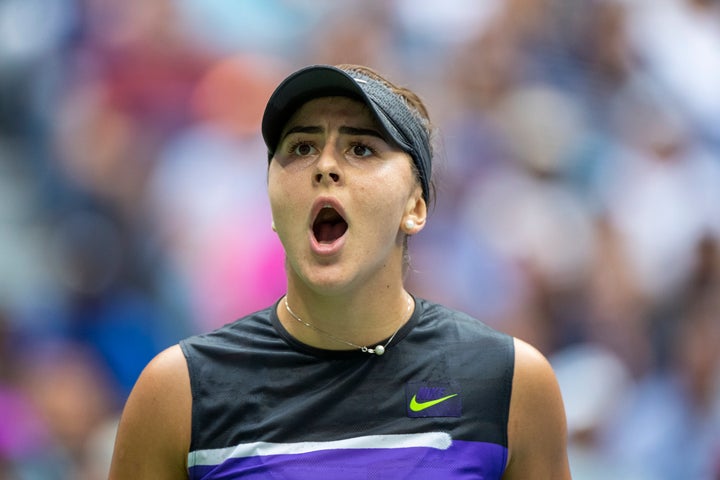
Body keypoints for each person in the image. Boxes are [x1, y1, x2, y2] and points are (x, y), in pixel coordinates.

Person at [109, 64, 571, 479]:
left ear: (415, 206)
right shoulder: (178, 392)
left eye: (362, 149)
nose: (325, 166)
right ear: (272, 203)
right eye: (302, 147)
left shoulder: (509, 382)